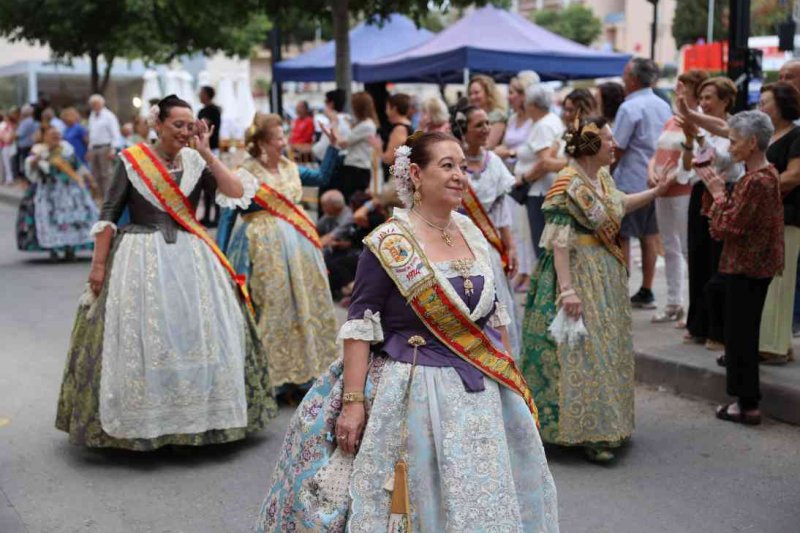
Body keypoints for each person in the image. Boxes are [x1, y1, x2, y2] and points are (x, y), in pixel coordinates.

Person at [255, 131, 558, 532]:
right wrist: (353, 403)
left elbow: (488, 323)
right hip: (413, 387)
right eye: (447, 166)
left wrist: (510, 379)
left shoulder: (472, 234)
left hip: (478, 390)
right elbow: (360, 327)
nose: (458, 176)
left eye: (463, 168)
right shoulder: (388, 243)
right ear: (415, 173)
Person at [55, 95, 276, 449]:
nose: (185, 132)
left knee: (196, 332)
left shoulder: (195, 160)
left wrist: (205, 151)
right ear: (158, 125)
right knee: (142, 336)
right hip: (139, 256)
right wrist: (98, 265)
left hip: (191, 257)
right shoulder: (131, 160)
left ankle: (200, 419)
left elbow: (235, 192)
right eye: (178, 125)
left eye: (190, 126)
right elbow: (109, 212)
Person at [521, 116, 675, 462]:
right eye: (607, 140)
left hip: (603, 269)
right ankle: (584, 431)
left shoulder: (601, 178)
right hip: (576, 271)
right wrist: (567, 291)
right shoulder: (566, 185)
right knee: (581, 350)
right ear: (591, 148)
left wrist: (655, 193)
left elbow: (618, 204)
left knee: (606, 346)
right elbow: (559, 243)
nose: (613, 145)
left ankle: (605, 423)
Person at [216, 113, 340, 404]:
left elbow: (322, 177)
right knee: (271, 307)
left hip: (299, 249)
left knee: (304, 305)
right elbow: (227, 216)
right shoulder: (244, 173)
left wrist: (332, 147)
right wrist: (220, 257)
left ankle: (305, 373)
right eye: (278, 138)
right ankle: (274, 378)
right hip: (260, 250)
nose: (284, 142)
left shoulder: (290, 168)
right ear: (260, 143)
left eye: (284, 136)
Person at [696, 111, 784, 425]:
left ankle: (746, 404)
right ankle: (744, 399)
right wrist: (717, 192)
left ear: (751, 143)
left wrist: (718, 193)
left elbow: (728, 227)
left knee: (741, 336)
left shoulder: (758, 180)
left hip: (746, 267)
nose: (730, 147)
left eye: (734, 142)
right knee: (735, 328)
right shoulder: (760, 176)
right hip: (748, 265)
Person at [675, 77, 744, 350]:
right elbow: (688, 165)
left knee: (718, 260)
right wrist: (690, 139)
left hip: (723, 194)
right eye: (701, 98)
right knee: (698, 257)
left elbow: (727, 162)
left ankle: (718, 329)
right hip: (698, 193)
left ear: (725, 100)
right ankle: (698, 324)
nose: (703, 103)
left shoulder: (734, 127)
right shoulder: (700, 126)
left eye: (708, 98)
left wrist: (699, 134)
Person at [453, 104, 521, 357]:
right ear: (464, 129)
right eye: (478, 125)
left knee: (497, 304)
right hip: (460, 245)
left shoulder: (495, 163)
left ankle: (502, 357)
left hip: (489, 248)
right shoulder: (454, 165)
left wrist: (510, 247)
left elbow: (503, 213)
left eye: (487, 124)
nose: (486, 129)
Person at [649, 69, 709, 324]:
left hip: (682, 190)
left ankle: (692, 305)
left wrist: (668, 179)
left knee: (686, 248)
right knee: (670, 248)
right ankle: (674, 301)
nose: (677, 90)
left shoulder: (698, 120)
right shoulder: (671, 120)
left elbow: (694, 158)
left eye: (682, 86)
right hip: (663, 190)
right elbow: (657, 152)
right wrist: (652, 171)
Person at [612, 57, 672, 309]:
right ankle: (646, 289)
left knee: (623, 236)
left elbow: (618, 147)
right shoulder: (663, 105)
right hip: (656, 179)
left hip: (630, 180)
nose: (623, 79)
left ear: (634, 79)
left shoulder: (629, 108)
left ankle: (619, 291)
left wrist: (605, 174)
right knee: (650, 236)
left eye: (626, 75)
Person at [755, 82, 800, 364]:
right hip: (765, 217)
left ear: (782, 104)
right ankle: (770, 342)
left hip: (787, 215)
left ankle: (775, 346)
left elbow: (794, 176)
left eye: (766, 102)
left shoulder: (796, 135)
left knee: (780, 283)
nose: (761, 107)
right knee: (765, 282)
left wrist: (758, 188)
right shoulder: (766, 135)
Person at [498, 84, 565, 260]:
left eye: (526, 103)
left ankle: (546, 285)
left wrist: (524, 178)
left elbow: (545, 162)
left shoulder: (543, 126)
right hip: (544, 189)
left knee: (542, 244)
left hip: (540, 191)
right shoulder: (550, 120)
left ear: (533, 105)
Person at [15, 127, 97, 261]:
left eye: (57, 135)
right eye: (52, 135)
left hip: (70, 192)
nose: (56, 137)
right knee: (51, 220)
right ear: (45, 137)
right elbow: (31, 169)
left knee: (73, 220)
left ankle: (71, 250)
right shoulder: (40, 151)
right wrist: (37, 161)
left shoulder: (66, 150)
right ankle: (54, 250)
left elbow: (78, 165)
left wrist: (90, 179)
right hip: (49, 192)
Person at [496, 71, 539, 291]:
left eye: (512, 92)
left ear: (523, 95)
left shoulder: (534, 120)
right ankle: (522, 270)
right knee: (515, 227)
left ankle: (531, 271)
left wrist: (510, 152)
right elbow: (503, 145)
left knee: (527, 227)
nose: (509, 97)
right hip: (511, 179)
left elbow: (531, 149)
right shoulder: (512, 119)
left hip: (527, 178)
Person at [335, 91, 378, 202]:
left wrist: (334, 126)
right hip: (359, 167)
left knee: (353, 201)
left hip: (356, 168)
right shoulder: (367, 124)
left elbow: (343, 143)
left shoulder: (365, 126)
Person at [370, 93, 414, 182]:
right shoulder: (408, 125)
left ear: (394, 109)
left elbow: (388, 159)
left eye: (387, 108)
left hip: (398, 178)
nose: (386, 112)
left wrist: (378, 147)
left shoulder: (399, 129)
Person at [87, 94, 122, 197]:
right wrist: (89, 149)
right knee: (95, 174)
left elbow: (115, 134)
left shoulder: (109, 116)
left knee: (106, 175)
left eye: (96, 104)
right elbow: (91, 134)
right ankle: (98, 198)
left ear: (102, 103)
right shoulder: (92, 116)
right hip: (94, 148)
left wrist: (113, 149)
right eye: (92, 104)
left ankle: (108, 197)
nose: (94, 106)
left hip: (105, 147)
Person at [198, 85, 222, 227]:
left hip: (212, 149)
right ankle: (207, 215)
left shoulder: (213, 111)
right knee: (205, 184)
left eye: (201, 93)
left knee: (213, 184)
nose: (199, 95)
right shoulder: (202, 111)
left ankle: (216, 216)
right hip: (203, 150)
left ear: (207, 95)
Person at [468, 74, 507, 149]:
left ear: (488, 93)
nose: (472, 97)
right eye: (470, 94)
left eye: (476, 93)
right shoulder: (470, 116)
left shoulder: (498, 116)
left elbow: (488, 145)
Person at [15, 104, 38, 179]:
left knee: (25, 164)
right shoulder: (31, 121)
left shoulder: (26, 122)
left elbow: (19, 134)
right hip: (29, 145)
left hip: (25, 145)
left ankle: (26, 180)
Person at [0, 107, 18, 184]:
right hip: (2, 145)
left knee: (7, 163)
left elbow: (9, 138)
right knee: (2, 163)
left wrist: (3, 137)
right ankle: (3, 178)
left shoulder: (10, 126)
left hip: (7, 146)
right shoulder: (3, 125)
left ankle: (9, 178)